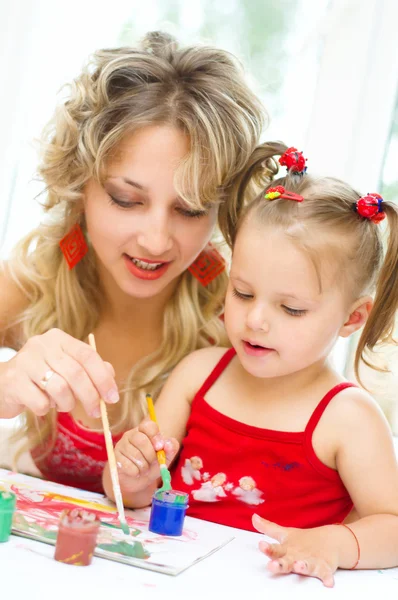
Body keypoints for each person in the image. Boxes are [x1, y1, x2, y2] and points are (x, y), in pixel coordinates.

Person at [115, 142, 398, 587]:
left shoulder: (349, 418)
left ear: (352, 317)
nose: (255, 319)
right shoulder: (197, 376)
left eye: (291, 309)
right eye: (243, 293)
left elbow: (393, 526)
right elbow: (136, 497)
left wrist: (334, 543)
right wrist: (133, 475)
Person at [0, 31, 267, 492]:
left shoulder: (240, 318)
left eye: (190, 209)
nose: (156, 241)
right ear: (78, 184)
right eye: (126, 200)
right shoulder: (32, 281)